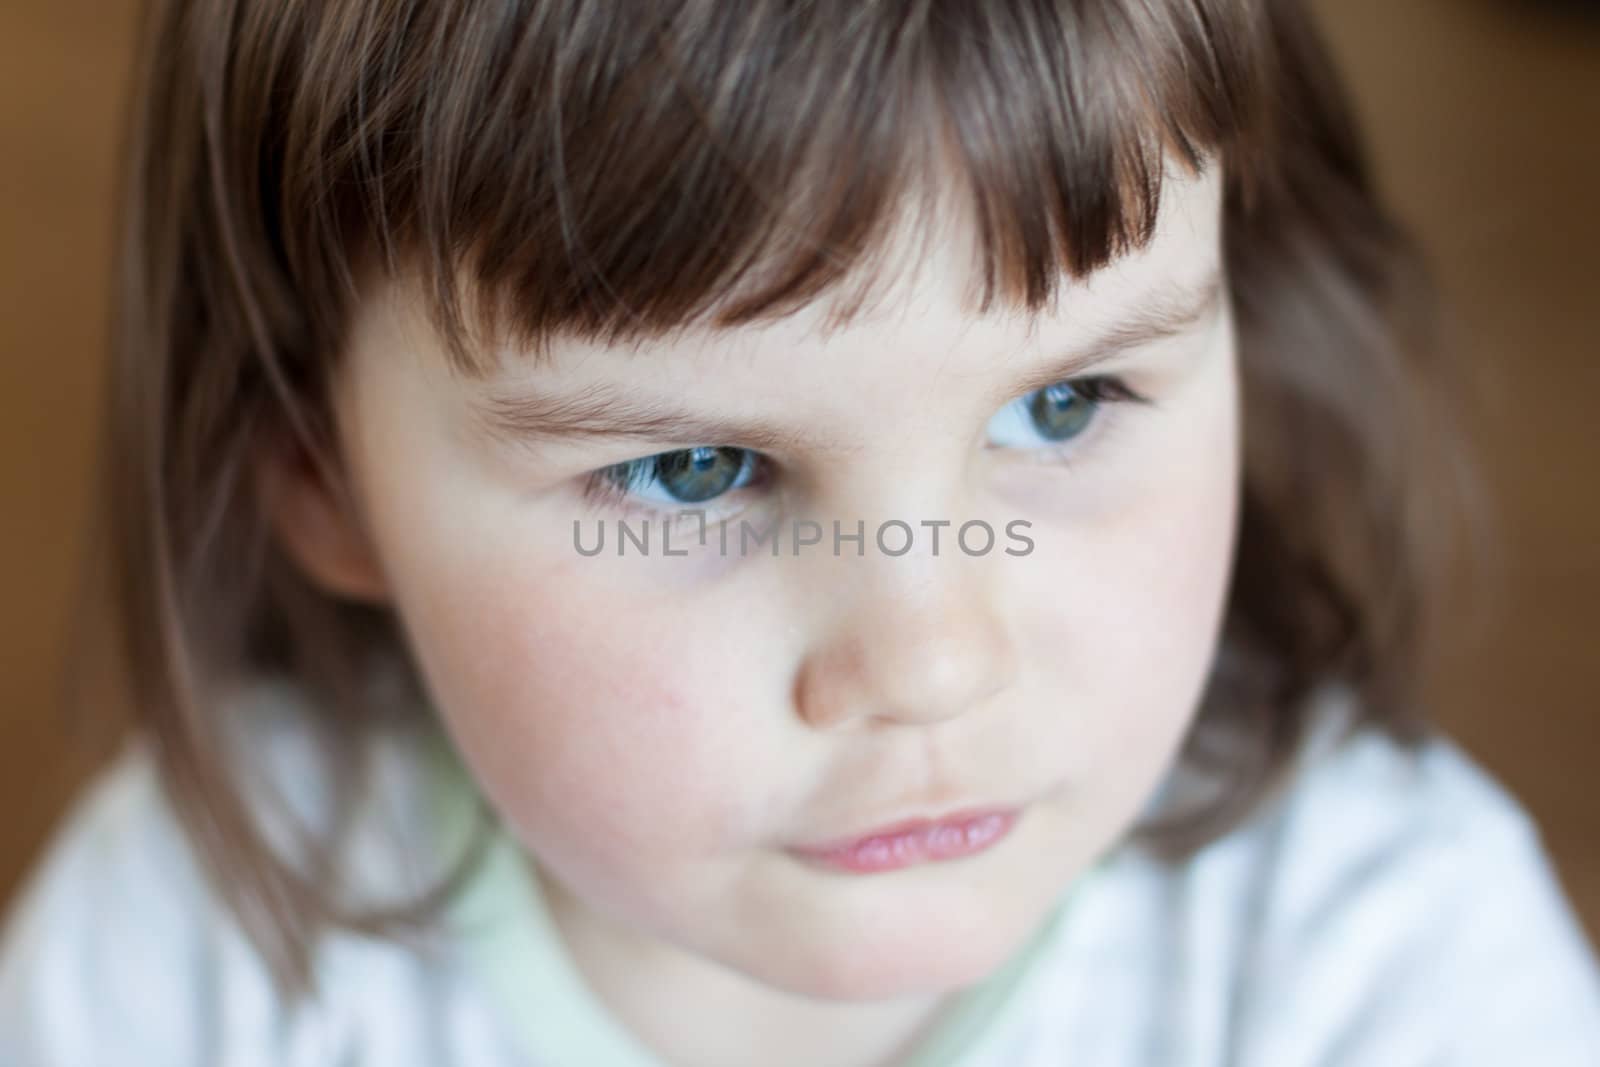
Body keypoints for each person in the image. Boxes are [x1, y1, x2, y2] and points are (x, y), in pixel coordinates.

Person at [3, 1, 1598, 1063]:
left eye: (1063, 407)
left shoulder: (1384, 969)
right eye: (696, 470)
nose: (931, 660)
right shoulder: (188, 968)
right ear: (320, 476)